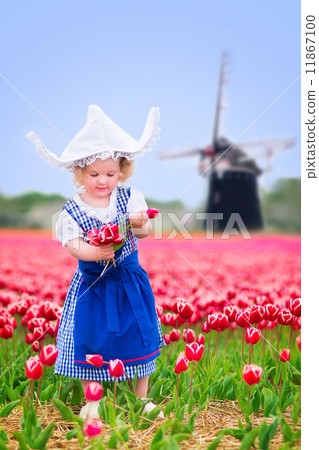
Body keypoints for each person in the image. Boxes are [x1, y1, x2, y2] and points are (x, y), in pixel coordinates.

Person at [26, 105, 165, 419]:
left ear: (122, 170)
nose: (103, 180)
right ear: (79, 173)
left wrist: (140, 222)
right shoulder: (72, 209)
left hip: (129, 280)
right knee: (92, 339)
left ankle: (140, 398)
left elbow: (142, 233)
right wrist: (94, 253)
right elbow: (73, 245)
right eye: (94, 174)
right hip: (93, 285)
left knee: (138, 336)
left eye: (111, 173)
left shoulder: (131, 198)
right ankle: (93, 400)